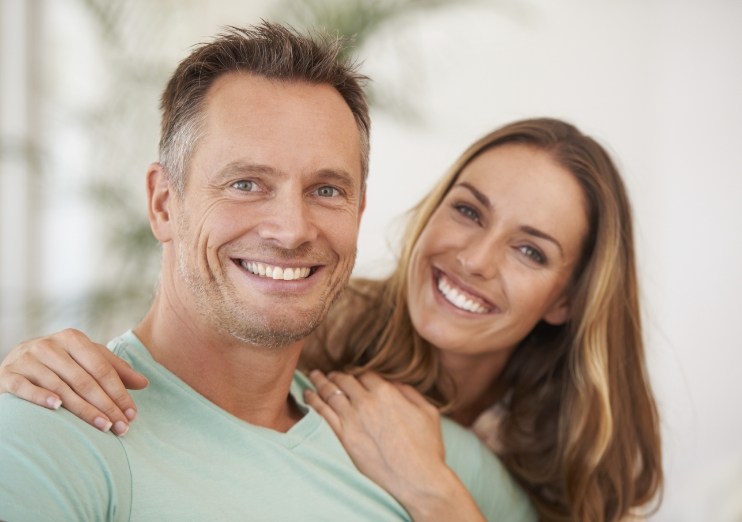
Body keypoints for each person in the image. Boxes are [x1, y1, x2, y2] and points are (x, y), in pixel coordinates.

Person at [0, 22, 536, 522]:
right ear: (164, 203)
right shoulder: (54, 432)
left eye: (326, 190)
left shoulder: (424, 457)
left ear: (359, 211)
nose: (292, 229)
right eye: (246, 183)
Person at [1, 116, 663, 521]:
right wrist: (31, 363)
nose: (476, 259)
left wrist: (435, 493)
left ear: (566, 299)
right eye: (467, 210)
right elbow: (183, 351)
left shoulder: (566, 437)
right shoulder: (316, 323)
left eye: (529, 250)